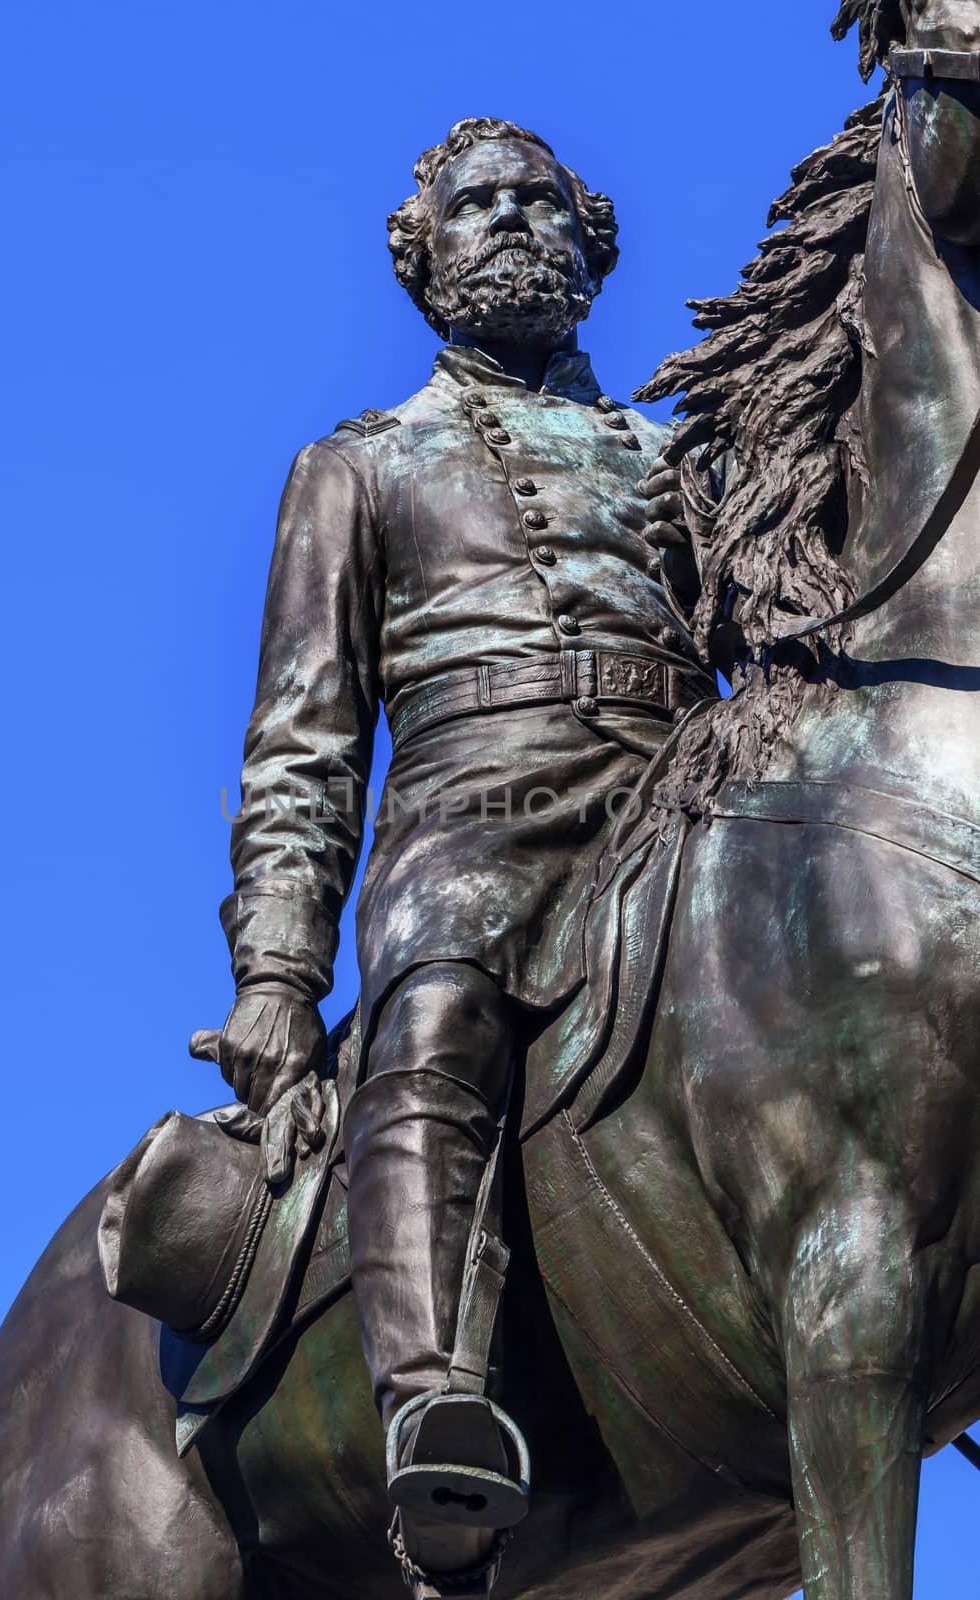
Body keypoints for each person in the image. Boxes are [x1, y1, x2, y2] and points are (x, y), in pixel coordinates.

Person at [203, 117, 711, 1595]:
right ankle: (435, 1408)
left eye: (538, 198)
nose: (509, 219)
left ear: (591, 239)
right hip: (465, 821)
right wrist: (281, 976)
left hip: (676, 801)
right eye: (475, 204)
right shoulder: (358, 466)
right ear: (421, 259)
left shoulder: (683, 462)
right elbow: (302, 743)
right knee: (430, 1029)